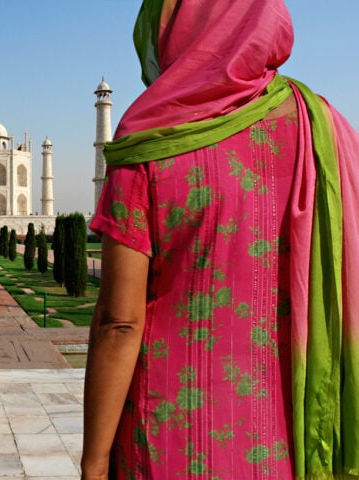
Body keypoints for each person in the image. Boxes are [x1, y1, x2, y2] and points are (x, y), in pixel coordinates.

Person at [82, 0, 358, 479]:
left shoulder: (149, 137)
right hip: (281, 430)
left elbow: (118, 324)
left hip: (166, 431)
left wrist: (94, 460)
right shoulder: (323, 125)